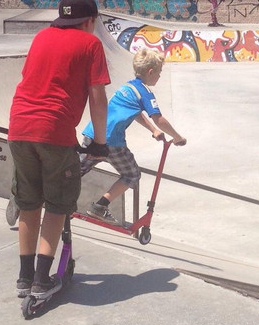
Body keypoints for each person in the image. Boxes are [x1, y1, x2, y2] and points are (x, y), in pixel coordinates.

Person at [7, 0, 110, 301]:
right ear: (90, 20)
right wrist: (100, 144)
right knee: (56, 206)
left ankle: (24, 278)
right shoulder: (91, 44)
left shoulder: (41, 37)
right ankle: (41, 281)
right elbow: (98, 96)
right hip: (53, 132)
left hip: (19, 128)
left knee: (28, 203)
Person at [79, 48, 186, 224]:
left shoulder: (127, 87)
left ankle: (46, 196)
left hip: (92, 133)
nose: (159, 77)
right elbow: (159, 118)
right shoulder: (145, 92)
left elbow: (135, 112)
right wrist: (177, 136)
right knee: (132, 174)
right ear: (150, 72)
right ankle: (100, 206)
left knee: (75, 171)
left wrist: (153, 130)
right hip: (111, 142)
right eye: (159, 73)